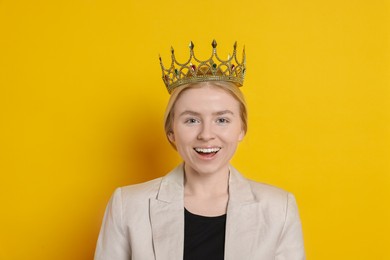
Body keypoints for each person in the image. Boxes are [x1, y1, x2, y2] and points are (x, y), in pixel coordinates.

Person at [94, 40, 305, 260]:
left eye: (222, 119)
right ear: (171, 132)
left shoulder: (279, 209)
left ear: (241, 129)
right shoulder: (127, 206)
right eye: (192, 120)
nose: (206, 134)